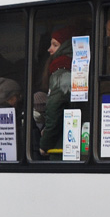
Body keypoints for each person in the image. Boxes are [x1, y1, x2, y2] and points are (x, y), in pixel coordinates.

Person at [38, 27, 74, 159]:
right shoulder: (73, 67)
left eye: (55, 45)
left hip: (60, 144)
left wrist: (45, 143)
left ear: (66, 46)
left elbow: (54, 107)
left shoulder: (61, 70)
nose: (49, 49)